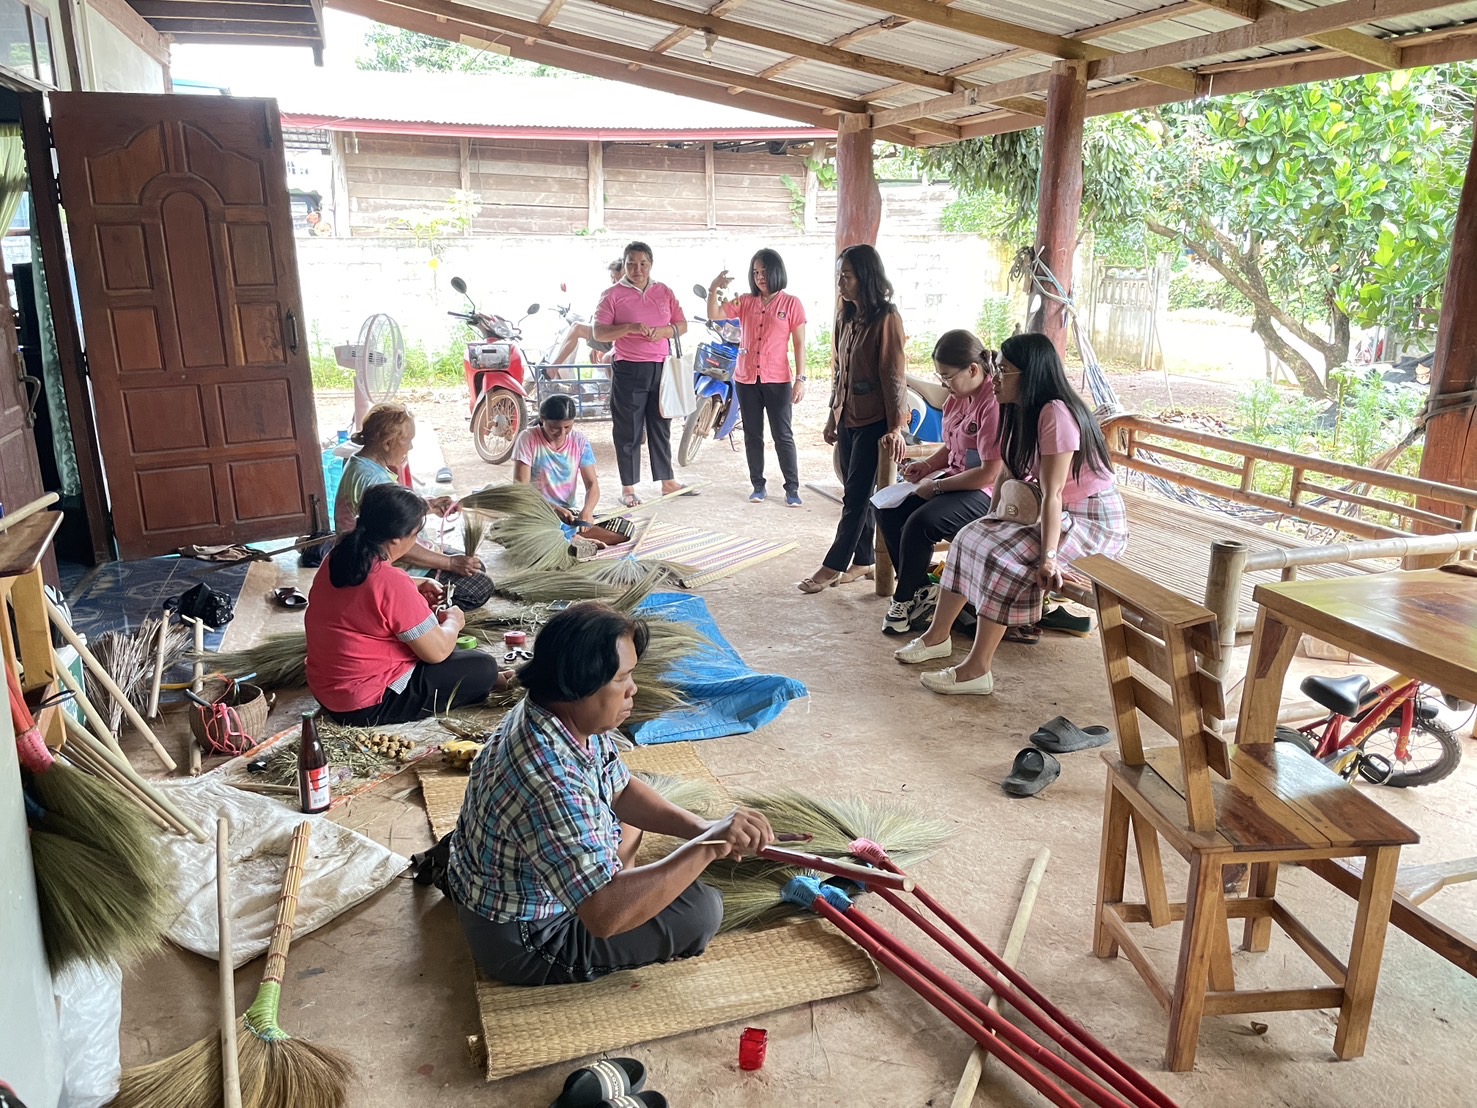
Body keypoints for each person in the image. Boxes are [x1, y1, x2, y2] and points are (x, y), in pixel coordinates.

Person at [447, 603, 775, 986]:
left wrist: (703, 828)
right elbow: (602, 917)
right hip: (526, 939)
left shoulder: (555, 713)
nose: (633, 689)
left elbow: (619, 787)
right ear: (579, 684)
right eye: (623, 678)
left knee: (629, 827)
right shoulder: (550, 779)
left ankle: (621, 884)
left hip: (496, 882)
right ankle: (616, 895)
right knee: (701, 910)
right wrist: (708, 846)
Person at [894, 332, 1128, 696]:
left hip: (1091, 519)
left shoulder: (1055, 413)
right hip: (1054, 511)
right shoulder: (1014, 408)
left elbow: (1051, 495)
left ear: (1030, 375)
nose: (995, 377)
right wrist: (988, 521)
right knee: (971, 539)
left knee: (1002, 558)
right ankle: (937, 636)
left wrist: (1049, 559)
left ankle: (977, 669)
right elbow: (1006, 475)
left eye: (1003, 371)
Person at [306, 484, 507, 725]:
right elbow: (438, 652)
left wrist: (416, 584)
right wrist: (454, 620)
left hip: (328, 692)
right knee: (483, 667)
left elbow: (368, 590)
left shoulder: (339, 557)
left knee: (464, 661)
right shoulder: (391, 582)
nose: (413, 543)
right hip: (364, 705)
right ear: (396, 539)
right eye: (414, 536)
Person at [876, 330, 1003, 635]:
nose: (944, 384)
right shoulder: (958, 397)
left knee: (921, 523)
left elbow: (988, 473)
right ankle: (921, 590)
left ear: (973, 370)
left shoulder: (993, 403)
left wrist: (935, 487)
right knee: (888, 509)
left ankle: (903, 598)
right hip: (955, 479)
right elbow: (952, 445)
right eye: (940, 376)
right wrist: (927, 466)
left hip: (987, 492)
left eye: (947, 376)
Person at [799, 245, 907, 594]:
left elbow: (893, 374)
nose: (841, 283)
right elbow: (840, 372)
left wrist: (896, 426)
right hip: (848, 416)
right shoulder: (846, 317)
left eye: (846, 276)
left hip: (875, 420)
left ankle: (833, 564)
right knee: (853, 489)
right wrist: (833, 415)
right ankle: (863, 559)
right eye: (839, 276)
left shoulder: (885, 318)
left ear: (866, 278)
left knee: (857, 497)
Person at [336, 402, 484, 580]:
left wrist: (428, 506)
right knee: (478, 584)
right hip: (385, 566)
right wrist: (450, 563)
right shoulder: (373, 481)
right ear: (388, 443)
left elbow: (390, 513)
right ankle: (413, 597)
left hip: (398, 550)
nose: (410, 448)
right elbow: (395, 544)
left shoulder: (361, 464)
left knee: (476, 566)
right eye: (408, 441)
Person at [593, 241, 692, 507]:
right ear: (624, 264)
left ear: (651, 264)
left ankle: (667, 481)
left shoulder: (664, 291)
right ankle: (628, 488)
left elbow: (681, 325)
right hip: (628, 368)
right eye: (631, 263)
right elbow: (599, 332)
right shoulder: (612, 295)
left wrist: (663, 332)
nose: (638, 269)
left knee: (661, 424)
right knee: (629, 430)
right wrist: (629, 327)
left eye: (643, 263)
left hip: (661, 368)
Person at [707, 249, 807, 507]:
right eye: (755, 272)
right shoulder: (746, 301)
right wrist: (713, 288)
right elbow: (715, 314)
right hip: (746, 379)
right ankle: (758, 486)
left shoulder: (791, 304)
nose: (760, 277)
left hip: (778, 380)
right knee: (753, 435)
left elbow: (799, 344)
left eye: (764, 271)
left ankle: (792, 488)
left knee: (782, 434)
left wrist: (801, 379)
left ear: (776, 271)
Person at [549, 259, 625, 367]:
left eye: (615, 278)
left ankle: (553, 369)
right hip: (609, 335)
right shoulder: (612, 294)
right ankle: (553, 368)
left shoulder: (628, 295)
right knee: (576, 327)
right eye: (611, 278)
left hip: (622, 339)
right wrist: (594, 344)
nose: (613, 281)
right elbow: (603, 319)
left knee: (578, 329)